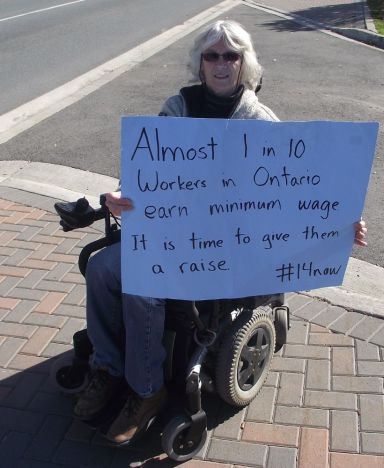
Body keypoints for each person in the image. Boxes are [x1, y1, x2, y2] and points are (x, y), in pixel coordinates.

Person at [73, 20, 368, 446]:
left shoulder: (260, 121)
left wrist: (339, 224)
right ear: (200, 63)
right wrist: (120, 194)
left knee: (142, 286)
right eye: (212, 55)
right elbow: (145, 174)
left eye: (231, 55)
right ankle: (107, 367)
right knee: (102, 267)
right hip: (171, 236)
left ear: (245, 63)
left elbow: (299, 191)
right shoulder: (177, 107)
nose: (221, 63)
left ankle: (146, 389)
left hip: (226, 252)